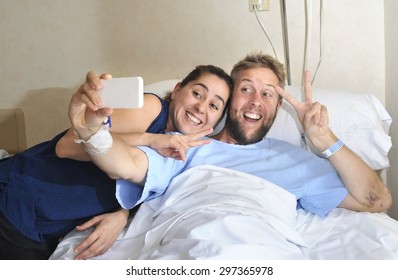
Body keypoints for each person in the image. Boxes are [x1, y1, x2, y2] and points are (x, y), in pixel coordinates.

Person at [69, 52, 392, 236]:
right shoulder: (187, 145)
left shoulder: (297, 161)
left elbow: (376, 200)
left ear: (278, 108)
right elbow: (125, 163)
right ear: (228, 100)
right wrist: (93, 132)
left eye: (268, 94)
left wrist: (325, 139)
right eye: (246, 89)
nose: (255, 102)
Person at [0, 65, 232, 260]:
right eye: (197, 93)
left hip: (43, 227)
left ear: (217, 122)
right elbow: (67, 146)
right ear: (177, 89)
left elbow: (149, 193)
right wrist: (149, 139)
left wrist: (122, 214)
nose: (201, 107)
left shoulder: (184, 150)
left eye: (214, 105)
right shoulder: (152, 108)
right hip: (18, 196)